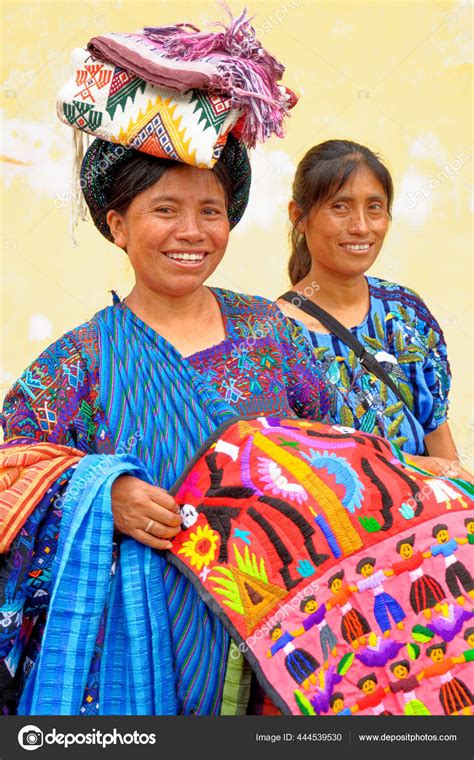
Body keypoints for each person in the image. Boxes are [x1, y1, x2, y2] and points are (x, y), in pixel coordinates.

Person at [0, 13, 331, 716]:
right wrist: (98, 497)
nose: (192, 232)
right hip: (136, 663)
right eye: (165, 209)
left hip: (276, 647)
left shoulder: (271, 333)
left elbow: (334, 453)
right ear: (117, 224)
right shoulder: (79, 362)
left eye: (211, 210)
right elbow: (9, 476)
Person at [277, 140, 471, 480]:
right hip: (342, 525)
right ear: (299, 216)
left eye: (375, 208)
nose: (361, 227)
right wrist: (409, 465)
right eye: (340, 207)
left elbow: (435, 432)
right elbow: (292, 466)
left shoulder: (406, 312)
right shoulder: (276, 335)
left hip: (428, 525)